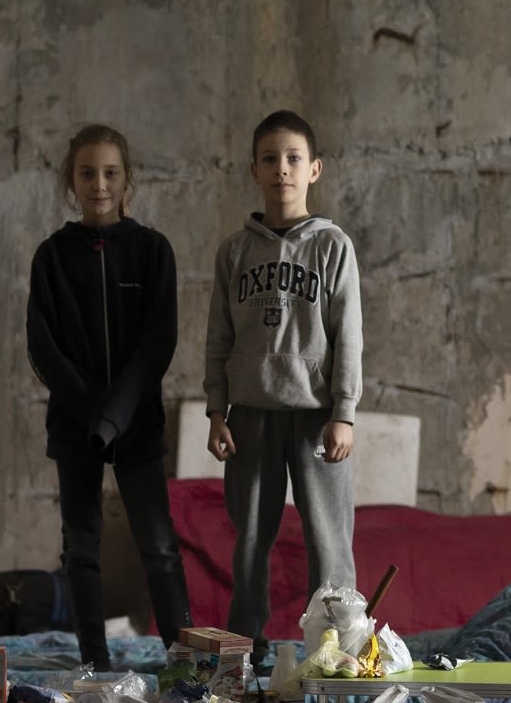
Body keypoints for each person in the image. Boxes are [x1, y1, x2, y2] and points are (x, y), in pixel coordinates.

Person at [26, 123, 190, 670]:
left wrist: (116, 415)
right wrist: (94, 416)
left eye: (110, 173)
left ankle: (185, 661)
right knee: (80, 548)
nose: (99, 184)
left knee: (160, 550)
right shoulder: (51, 257)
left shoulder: (152, 251)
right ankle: (95, 664)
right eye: (88, 173)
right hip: (75, 427)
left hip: (137, 424)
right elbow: (44, 349)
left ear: (128, 180)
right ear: (71, 182)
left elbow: (157, 343)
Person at [203, 110, 362, 643]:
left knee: (328, 542)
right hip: (249, 415)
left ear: (314, 169)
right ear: (254, 169)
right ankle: (243, 653)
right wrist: (215, 409)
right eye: (270, 159)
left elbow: (349, 336)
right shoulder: (235, 250)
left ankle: (334, 650)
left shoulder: (333, 246)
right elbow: (218, 338)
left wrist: (344, 412)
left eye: (293, 158)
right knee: (249, 542)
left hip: (317, 418)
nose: (282, 169)